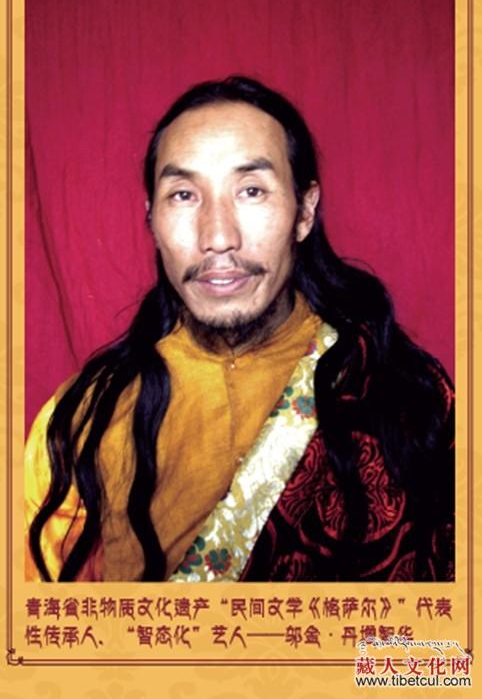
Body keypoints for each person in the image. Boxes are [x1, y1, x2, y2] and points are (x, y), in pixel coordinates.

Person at [25, 76, 454, 582]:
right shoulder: (81, 419)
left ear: (304, 211)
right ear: (151, 219)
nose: (218, 237)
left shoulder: (409, 395)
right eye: (184, 195)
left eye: (251, 191)